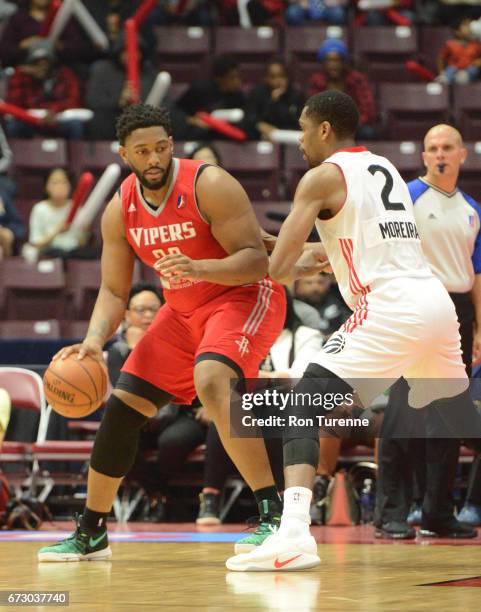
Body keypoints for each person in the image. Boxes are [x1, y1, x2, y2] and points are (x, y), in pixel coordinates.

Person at [225, 90, 481, 572]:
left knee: (302, 403)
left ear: (323, 129)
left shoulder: (321, 177)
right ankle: (293, 531)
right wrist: (285, 246)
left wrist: (252, 248)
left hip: (390, 309)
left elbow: (279, 271)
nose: (299, 141)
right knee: (458, 420)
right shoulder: (381, 167)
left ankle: (295, 533)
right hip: (435, 304)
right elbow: (325, 256)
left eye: (302, 130)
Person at [36, 103, 292, 562]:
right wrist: (94, 342)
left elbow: (257, 260)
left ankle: (273, 516)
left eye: (160, 148)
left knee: (213, 381)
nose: (153, 158)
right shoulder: (120, 209)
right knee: (121, 409)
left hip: (243, 297)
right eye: (142, 151)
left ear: (171, 145)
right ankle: (92, 530)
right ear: (124, 154)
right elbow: (114, 291)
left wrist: (199, 266)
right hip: (180, 312)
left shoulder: (209, 184)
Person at [375, 124, 481, 539]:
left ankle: (437, 513)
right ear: (423, 156)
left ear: (462, 155)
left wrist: (478, 328)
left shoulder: (472, 209)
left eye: (447, 147)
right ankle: (390, 512)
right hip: (415, 304)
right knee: (404, 412)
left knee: (448, 419)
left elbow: (475, 274)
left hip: (457, 312)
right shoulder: (406, 197)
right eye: (432, 148)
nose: (440, 154)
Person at [196, 286, 323, 524]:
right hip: (247, 403)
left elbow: (300, 376)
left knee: (268, 411)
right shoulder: (239, 336)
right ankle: (210, 498)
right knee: (226, 414)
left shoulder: (305, 335)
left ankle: (283, 498)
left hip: (287, 402)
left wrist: (259, 381)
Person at [5, 40, 85, 140]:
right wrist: (25, 76)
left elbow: (74, 100)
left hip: (58, 119)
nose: (42, 65)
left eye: (46, 61)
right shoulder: (21, 76)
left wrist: (54, 111)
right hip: (31, 120)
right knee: (14, 126)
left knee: (76, 126)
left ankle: (76, 155)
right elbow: (14, 104)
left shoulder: (65, 75)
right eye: (37, 61)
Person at [86, 35, 157, 141]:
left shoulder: (149, 72)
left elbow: (162, 103)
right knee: (100, 119)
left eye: (136, 51)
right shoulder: (101, 70)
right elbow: (93, 100)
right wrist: (119, 101)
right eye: (126, 51)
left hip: (143, 119)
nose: (131, 55)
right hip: (112, 117)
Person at [308, 39, 377, 141]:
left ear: (343, 62)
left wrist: (348, 126)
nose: (333, 65)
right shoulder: (316, 82)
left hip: (354, 126)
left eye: (337, 60)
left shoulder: (357, 79)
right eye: (329, 61)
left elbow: (367, 110)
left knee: (368, 133)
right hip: (327, 127)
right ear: (323, 63)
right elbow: (313, 111)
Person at [176, 54, 246, 141]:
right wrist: (192, 120)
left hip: (225, 136)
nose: (237, 81)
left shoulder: (238, 96)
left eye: (238, 77)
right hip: (200, 135)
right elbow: (177, 111)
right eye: (232, 78)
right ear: (219, 78)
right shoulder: (199, 90)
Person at [27, 168, 92, 259]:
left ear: (69, 186)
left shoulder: (77, 208)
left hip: (73, 252)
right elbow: (35, 243)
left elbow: (81, 242)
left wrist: (85, 231)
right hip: (50, 251)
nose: (59, 186)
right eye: (55, 183)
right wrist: (58, 230)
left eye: (63, 182)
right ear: (46, 186)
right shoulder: (39, 209)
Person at [244, 58, 305, 141]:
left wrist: (277, 102)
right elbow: (250, 117)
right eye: (273, 77)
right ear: (266, 78)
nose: (278, 81)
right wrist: (260, 124)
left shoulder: (296, 95)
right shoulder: (257, 93)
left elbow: (298, 122)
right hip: (263, 138)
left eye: (282, 76)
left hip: (290, 138)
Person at [438, 16, 481, 84]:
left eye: (469, 26)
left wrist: (479, 62)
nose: (469, 28)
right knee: (450, 70)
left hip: (469, 69)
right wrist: (441, 72)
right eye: (465, 26)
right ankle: (445, 79)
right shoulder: (450, 44)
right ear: (457, 31)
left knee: (473, 70)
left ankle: (462, 78)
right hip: (455, 68)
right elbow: (441, 58)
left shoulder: (476, 44)